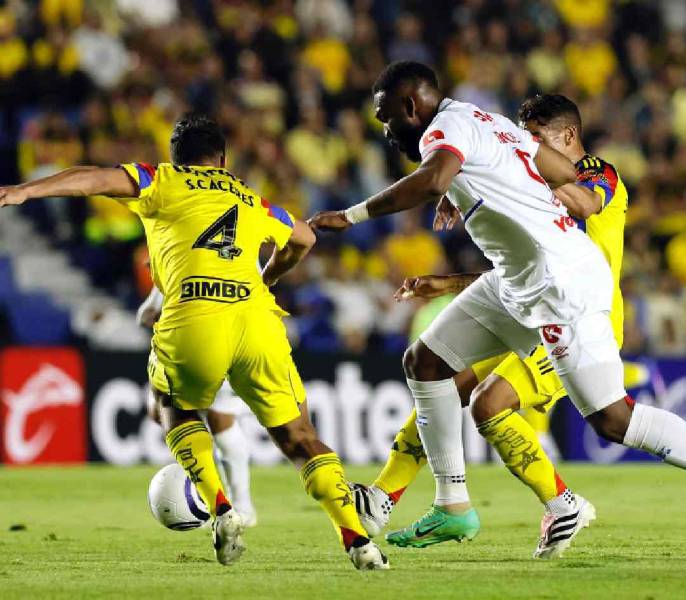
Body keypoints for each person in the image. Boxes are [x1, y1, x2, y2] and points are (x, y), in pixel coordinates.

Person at [309, 62, 686, 557]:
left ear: (410, 108)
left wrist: (363, 211)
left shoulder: (588, 169)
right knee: (427, 364)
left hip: (566, 290)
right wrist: (463, 185)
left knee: (610, 420)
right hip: (519, 282)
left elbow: (565, 193)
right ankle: (451, 505)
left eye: (387, 117)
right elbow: (519, 166)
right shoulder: (479, 123)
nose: (386, 131)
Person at [0, 114, 388, 570]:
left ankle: (221, 508)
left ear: (175, 156)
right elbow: (303, 237)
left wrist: (26, 190)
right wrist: (269, 276)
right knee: (299, 435)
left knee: (172, 404)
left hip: (193, 315)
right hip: (256, 321)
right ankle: (358, 540)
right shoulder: (250, 198)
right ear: (221, 159)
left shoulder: (160, 178)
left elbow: (92, 179)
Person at [351, 93, 631, 557]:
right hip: (530, 307)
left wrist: (476, 176)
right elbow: (522, 271)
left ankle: (564, 504)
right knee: (442, 383)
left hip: (576, 318)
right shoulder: (528, 183)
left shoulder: (595, 174)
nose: (526, 144)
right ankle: (383, 497)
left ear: (567, 136)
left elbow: (565, 249)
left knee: (490, 403)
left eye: (535, 136)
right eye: (522, 136)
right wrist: (452, 275)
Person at [137, 285, 257, 527]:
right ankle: (217, 498)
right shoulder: (182, 255)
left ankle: (240, 506)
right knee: (160, 411)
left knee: (219, 417)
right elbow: (151, 305)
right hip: (182, 339)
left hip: (224, 333)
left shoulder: (234, 254)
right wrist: (154, 306)